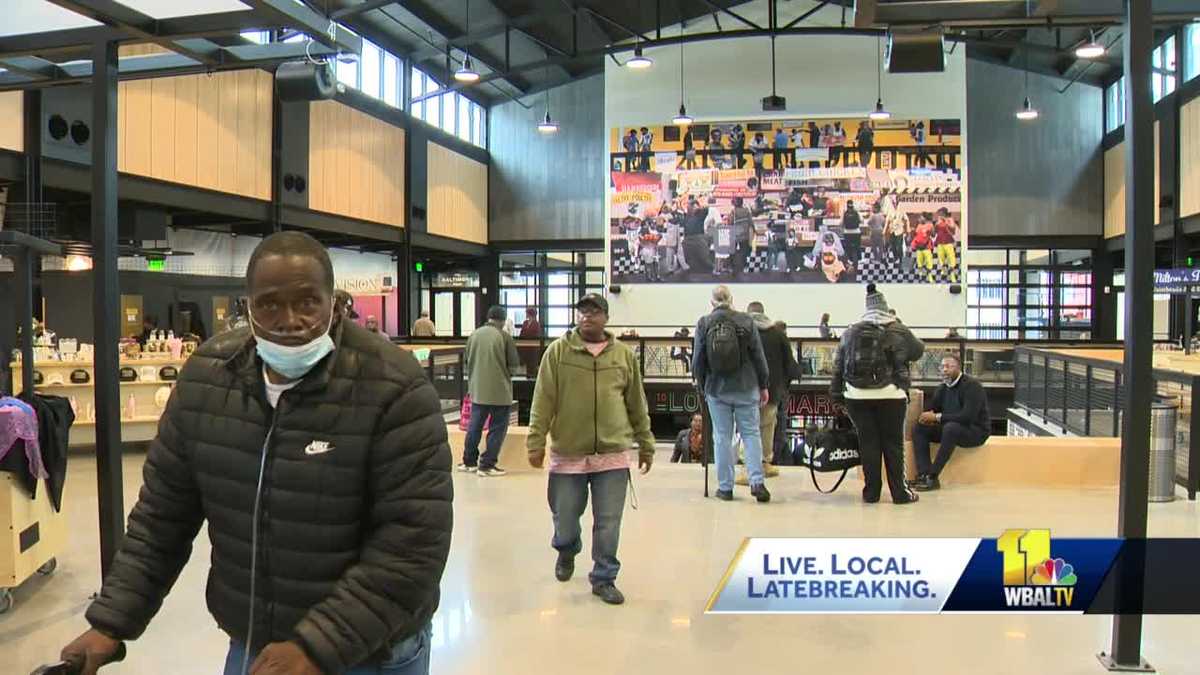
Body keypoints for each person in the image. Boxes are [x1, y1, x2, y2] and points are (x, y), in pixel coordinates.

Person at [59, 231, 452, 675]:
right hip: (257, 645)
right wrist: (111, 622)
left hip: (371, 651)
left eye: (307, 302)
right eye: (269, 304)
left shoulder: (394, 388)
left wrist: (316, 646)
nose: (289, 320)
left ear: (334, 302)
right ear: (247, 307)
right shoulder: (207, 381)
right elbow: (162, 518)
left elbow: (414, 544)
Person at [527, 293, 654, 606]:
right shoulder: (558, 352)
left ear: (606, 318)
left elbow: (636, 402)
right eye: (582, 311)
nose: (587, 316)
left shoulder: (623, 356)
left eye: (594, 311)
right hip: (568, 452)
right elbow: (543, 399)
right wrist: (535, 440)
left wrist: (646, 442)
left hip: (612, 454)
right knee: (565, 517)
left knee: (609, 522)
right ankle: (567, 548)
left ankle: (604, 577)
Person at [830, 284, 924, 505]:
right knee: (893, 444)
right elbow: (918, 350)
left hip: (856, 396)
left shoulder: (851, 331)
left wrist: (836, 395)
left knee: (868, 443)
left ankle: (871, 493)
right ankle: (900, 493)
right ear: (886, 308)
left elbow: (838, 365)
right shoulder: (898, 329)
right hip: (892, 395)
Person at [692, 285, 771, 503]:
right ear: (731, 299)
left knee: (722, 437)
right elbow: (758, 356)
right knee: (751, 434)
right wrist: (763, 385)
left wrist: (701, 384)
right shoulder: (746, 321)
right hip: (746, 387)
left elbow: (698, 359)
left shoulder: (704, 323)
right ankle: (757, 482)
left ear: (712, 302)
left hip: (717, 390)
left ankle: (725, 488)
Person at [736, 301, 799, 484]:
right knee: (767, 427)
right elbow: (789, 363)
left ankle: (747, 468)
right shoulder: (778, 334)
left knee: (748, 428)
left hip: (746, 388)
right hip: (772, 390)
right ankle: (764, 464)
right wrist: (783, 385)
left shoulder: (743, 333)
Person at [911, 353, 990, 491]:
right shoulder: (942, 388)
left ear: (959, 368)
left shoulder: (972, 386)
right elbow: (933, 409)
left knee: (951, 428)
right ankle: (923, 473)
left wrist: (937, 417)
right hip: (951, 429)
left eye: (949, 366)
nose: (945, 370)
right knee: (920, 428)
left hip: (975, 431)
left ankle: (933, 477)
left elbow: (967, 417)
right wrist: (926, 415)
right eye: (942, 367)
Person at [461, 306, 520, 477]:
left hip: (477, 390)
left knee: (474, 426)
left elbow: (466, 360)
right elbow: (513, 366)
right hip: (500, 392)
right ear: (502, 320)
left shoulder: (474, 335)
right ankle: (486, 465)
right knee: (498, 428)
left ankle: (469, 462)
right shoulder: (504, 337)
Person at [728, 196, 754, 280]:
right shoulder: (747, 211)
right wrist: (754, 230)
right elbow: (751, 222)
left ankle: (733, 267)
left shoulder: (733, 211)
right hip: (745, 234)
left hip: (735, 234)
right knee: (744, 251)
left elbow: (730, 222)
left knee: (732, 251)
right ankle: (743, 266)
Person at [933, 207, 960, 283]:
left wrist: (946, 222)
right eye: (938, 214)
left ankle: (952, 275)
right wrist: (936, 225)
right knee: (941, 259)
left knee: (951, 259)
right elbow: (935, 232)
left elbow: (953, 230)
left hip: (948, 242)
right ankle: (944, 274)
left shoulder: (949, 219)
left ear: (943, 213)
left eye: (940, 213)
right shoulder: (938, 221)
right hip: (940, 242)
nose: (939, 215)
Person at [912, 214, 937, 283]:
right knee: (919, 264)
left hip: (927, 248)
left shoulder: (930, 225)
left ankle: (929, 276)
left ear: (924, 218)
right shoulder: (918, 226)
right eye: (919, 218)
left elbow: (933, 235)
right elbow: (916, 236)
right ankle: (921, 276)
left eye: (920, 217)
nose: (919, 219)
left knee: (929, 263)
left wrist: (931, 231)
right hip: (919, 248)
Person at [841, 201, 863, 266]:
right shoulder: (857, 212)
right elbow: (862, 220)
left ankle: (849, 260)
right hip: (856, 232)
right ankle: (859, 259)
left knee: (848, 247)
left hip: (847, 232)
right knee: (857, 246)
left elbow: (841, 223)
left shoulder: (844, 213)